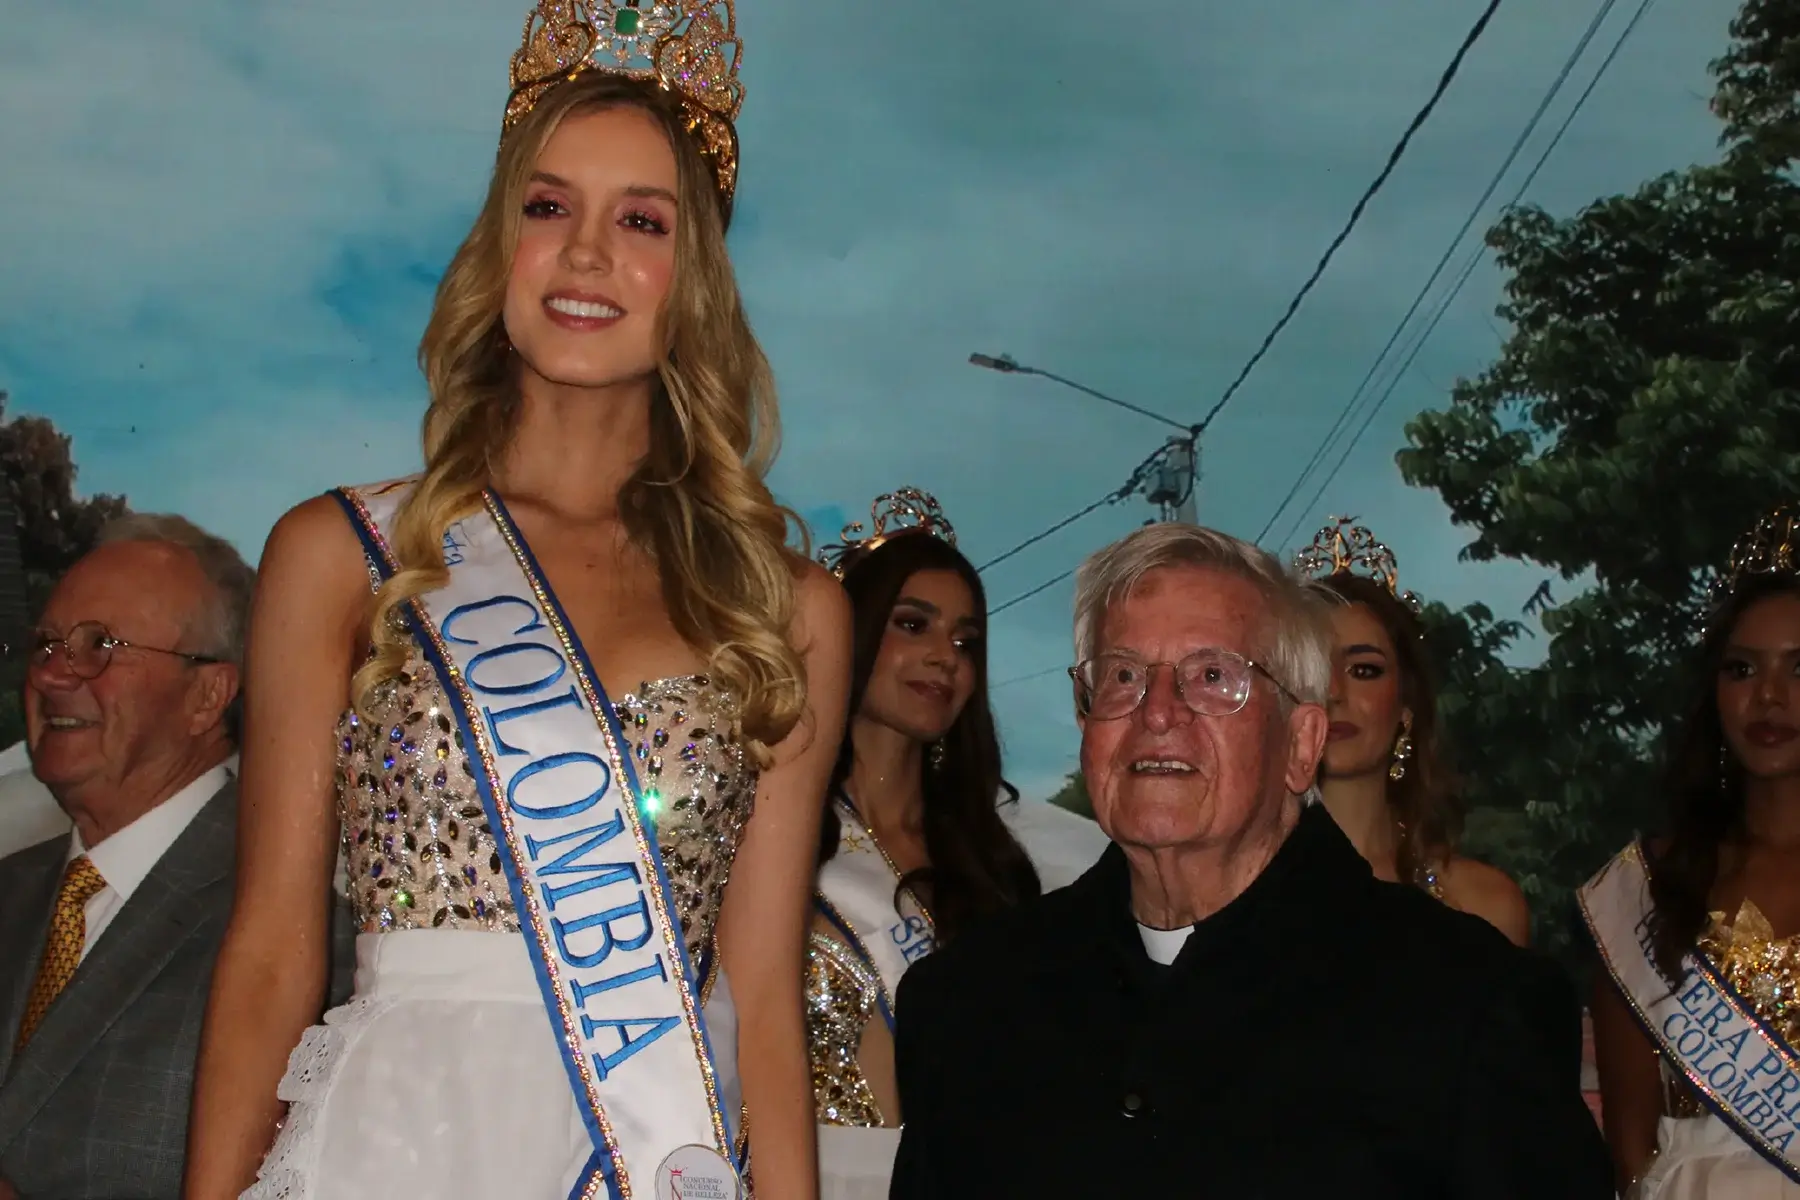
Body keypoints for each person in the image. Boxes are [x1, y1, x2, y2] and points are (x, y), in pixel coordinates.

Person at [182, 4, 852, 1197]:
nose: (587, 254)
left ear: (692, 275)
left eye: (640, 221)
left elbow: (759, 996)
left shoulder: (782, 606)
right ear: (502, 246)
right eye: (548, 208)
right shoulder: (343, 553)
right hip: (384, 1149)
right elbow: (273, 950)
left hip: (644, 1155)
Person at [889, 522, 1613, 1197]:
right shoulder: (967, 1003)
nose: (1158, 712)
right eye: (1122, 676)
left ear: (1300, 745)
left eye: (1213, 677)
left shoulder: (1468, 1007)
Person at [0, 516, 262, 1196]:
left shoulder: (288, 929)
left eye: (98, 645)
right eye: (46, 645)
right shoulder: (9, 891)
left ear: (208, 695)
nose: (55, 675)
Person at [806, 490, 1046, 1199]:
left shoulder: (993, 863)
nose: (945, 657)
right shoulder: (779, 837)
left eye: (966, 643)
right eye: (914, 625)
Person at [1584, 504, 1800, 1197]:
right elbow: (1631, 1153)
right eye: (1742, 668)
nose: (1769, 696)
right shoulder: (1645, 888)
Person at [1296, 516, 1530, 944]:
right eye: (1313, 669)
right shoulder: (1229, 898)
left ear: (1406, 707)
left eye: (1364, 670)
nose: (1333, 692)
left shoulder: (1482, 905)